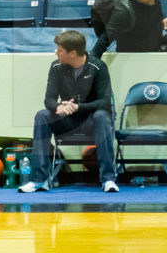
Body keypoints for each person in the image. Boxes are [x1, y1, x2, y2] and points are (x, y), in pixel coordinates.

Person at [20, 30, 118, 193]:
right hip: (67, 121)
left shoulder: (97, 67)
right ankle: (38, 180)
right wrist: (58, 107)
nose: (56, 53)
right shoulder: (56, 66)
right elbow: (49, 99)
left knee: (103, 116)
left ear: (72, 53)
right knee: (42, 115)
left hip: (91, 121)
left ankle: (108, 179)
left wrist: (79, 107)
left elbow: (105, 101)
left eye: (59, 50)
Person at [90, 0, 167, 57]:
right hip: (131, 56)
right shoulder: (123, 12)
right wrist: (90, 68)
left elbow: (156, 11)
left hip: (155, 52)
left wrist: (162, 18)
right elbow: (103, 42)